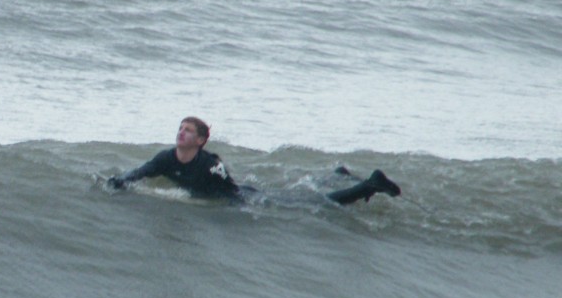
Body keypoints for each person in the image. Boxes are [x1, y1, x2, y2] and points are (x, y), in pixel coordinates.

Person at [106, 117, 401, 206]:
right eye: (180, 128)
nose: (181, 133)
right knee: (301, 190)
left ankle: (369, 185)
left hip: (247, 197)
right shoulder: (165, 158)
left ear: (200, 140)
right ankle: (338, 173)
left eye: (188, 131)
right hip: (233, 194)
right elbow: (142, 172)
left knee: (315, 203)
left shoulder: (210, 163)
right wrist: (121, 181)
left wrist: (244, 214)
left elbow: (231, 192)